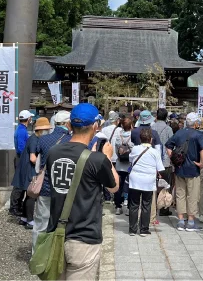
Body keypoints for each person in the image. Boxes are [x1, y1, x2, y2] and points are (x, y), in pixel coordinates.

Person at [46, 103, 119, 280]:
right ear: (96, 126)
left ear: (69, 126)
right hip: (85, 237)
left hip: (56, 233)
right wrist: (107, 158)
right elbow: (114, 186)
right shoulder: (97, 160)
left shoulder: (53, 152)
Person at [31, 110, 72, 253]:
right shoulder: (72, 141)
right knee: (63, 223)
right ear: (68, 123)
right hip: (65, 188)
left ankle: (37, 254)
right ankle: (57, 254)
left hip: (46, 186)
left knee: (41, 222)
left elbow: (37, 161)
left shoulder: (43, 139)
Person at [165, 112, 203, 231]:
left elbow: (168, 146)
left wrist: (173, 158)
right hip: (193, 169)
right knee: (193, 195)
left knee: (180, 194)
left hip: (179, 168)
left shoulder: (179, 133)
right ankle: (190, 222)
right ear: (195, 123)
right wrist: (201, 163)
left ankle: (180, 221)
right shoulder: (198, 135)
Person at [13, 117, 52, 228]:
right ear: (41, 130)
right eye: (46, 129)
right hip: (30, 169)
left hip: (25, 168)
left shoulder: (33, 138)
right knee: (32, 195)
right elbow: (33, 158)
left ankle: (24, 217)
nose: (47, 131)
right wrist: (42, 167)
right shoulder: (35, 140)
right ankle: (30, 220)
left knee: (28, 194)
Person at [127, 127, 165, 236]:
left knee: (134, 204)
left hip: (135, 179)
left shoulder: (135, 149)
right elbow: (160, 168)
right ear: (151, 139)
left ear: (140, 138)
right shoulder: (155, 152)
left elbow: (131, 160)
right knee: (146, 205)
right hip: (148, 180)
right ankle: (144, 229)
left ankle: (132, 229)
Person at [9, 110, 33, 218]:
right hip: (21, 158)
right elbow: (21, 148)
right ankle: (14, 208)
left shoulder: (20, 129)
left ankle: (17, 206)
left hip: (20, 158)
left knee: (21, 183)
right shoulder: (22, 131)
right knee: (19, 184)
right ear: (28, 119)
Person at [152, 108, 174, 216]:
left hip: (152, 160)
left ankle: (153, 206)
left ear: (156, 116)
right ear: (166, 117)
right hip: (165, 160)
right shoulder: (168, 129)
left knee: (154, 184)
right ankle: (164, 207)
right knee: (166, 185)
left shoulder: (151, 127)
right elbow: (172, 144)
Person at [112, 116, 134, 215]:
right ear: (131, 125)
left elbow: (117, 150)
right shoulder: (133, 136)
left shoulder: (118, 136)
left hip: (120, 164)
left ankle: (118, 206)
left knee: (119, 186)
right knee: (130, 186)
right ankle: (129, 207)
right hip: (130, 165)